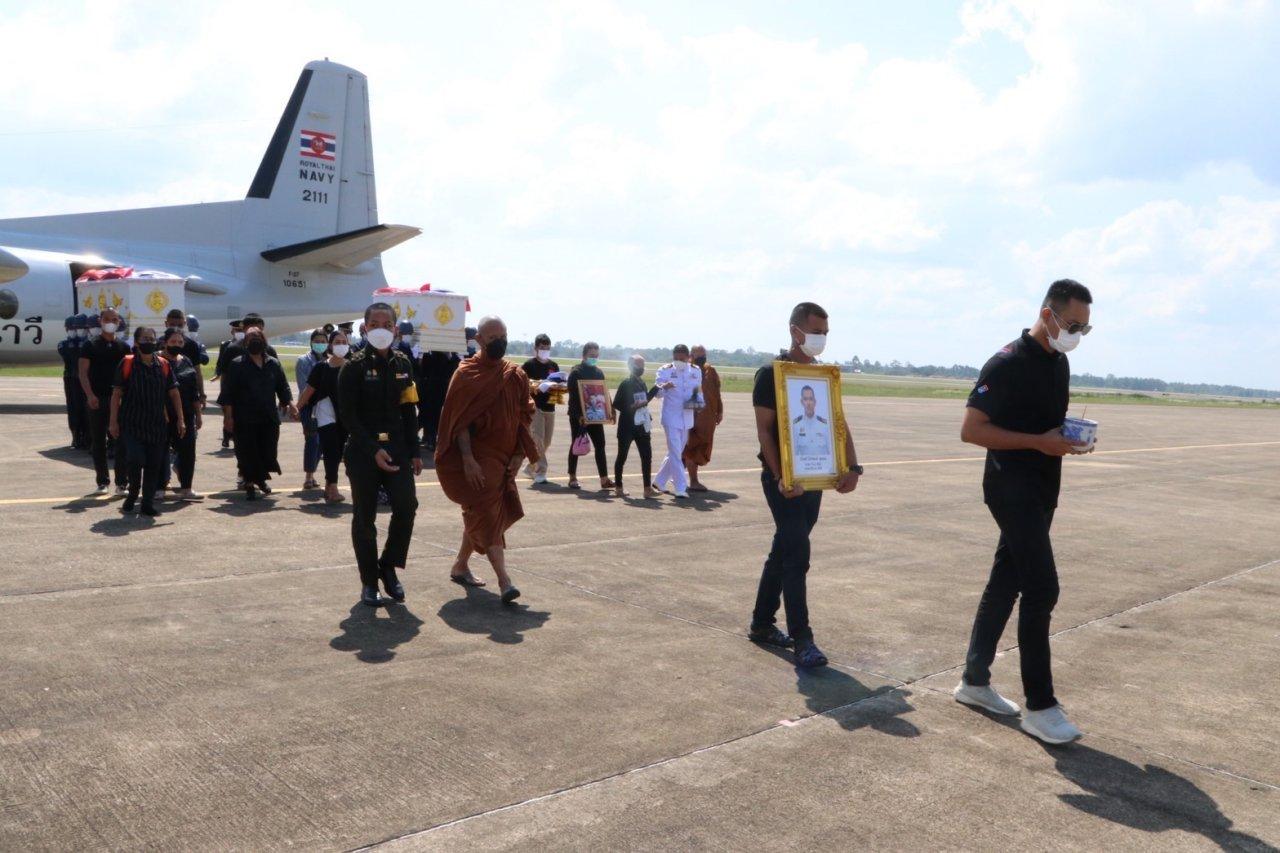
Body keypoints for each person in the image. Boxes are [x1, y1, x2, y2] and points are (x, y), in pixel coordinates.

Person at [954, 279, 1096, 745]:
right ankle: (1041, 706)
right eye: (1072, 323)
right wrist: (1040, 442)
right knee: (1042, 588)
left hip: (1042, 488)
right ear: (1047, 314)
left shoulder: (1060, 363)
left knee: (1006, 581)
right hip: (1009, 487)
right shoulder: (1007, 362)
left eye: (1085, 327)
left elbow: (1044, 425)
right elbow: (972, 430)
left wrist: (1067, 439)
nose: (1076, 333)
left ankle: (974, 682)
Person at [750, 302, 862, 668]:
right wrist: (781, 477)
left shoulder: (823, 376)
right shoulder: (771, 374)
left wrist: (852, 466)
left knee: (784, 548)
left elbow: (839, 423)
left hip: (815, 478)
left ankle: (762, 623)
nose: (821, 338)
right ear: (795, 330)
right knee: (797, 555)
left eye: (825, 333)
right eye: (816, 331)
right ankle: (803, 640)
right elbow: (766, 432)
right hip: (782, 480)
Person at [435, 316, 538, 603]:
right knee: (488, 515)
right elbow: (458, 423)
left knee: (481, 513)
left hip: (506, 457)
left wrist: (519, 454)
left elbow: (523, 416)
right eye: (493, 338)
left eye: (503, 335)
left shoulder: (515, 374)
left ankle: (460, 565)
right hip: (478, 459)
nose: (500, 342)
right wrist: (468, 460)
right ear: (479, 340)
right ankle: (505, 581)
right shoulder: (466, 374)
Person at [338, 302, 422, 607]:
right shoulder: (353, 366)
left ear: (396, 330)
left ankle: (388, 566)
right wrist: (373, 450)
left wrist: (414, 450)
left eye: (387, 324)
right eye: (375, 324)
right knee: (365, 518)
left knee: (407, 506)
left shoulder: (403, 364)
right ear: (364, 328)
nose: (381, 329)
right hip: (363, 452)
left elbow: (409, 409)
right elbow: (348, 417)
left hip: (398, 450)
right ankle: (368, 582)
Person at [108, 327, 184, 517]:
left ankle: (147, 503)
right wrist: (113, 422)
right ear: (136, 342)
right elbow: (116, 394)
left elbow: (174, 392)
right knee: (135, 459)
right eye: (144, 338)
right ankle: (133, 493)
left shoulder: (164, 365)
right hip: (132, 423)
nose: (148, 341)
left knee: (153, 465)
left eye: (151, 338)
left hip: (157, 424)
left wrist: (180, 419)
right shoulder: (127, 363)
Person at [217, 327, 296, 500]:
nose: (254, 339)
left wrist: (290, 403)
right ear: (245, 341)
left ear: (264, 339)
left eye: (257, 336)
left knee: (267, 451)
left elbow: (282, 386)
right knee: (247, 452)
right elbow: (228, 393)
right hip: (244, 418)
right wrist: (228, 417)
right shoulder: (237, 364)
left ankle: (259, 478)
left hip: (268, 417)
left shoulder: (273, 363)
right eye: (250, 337)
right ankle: (250, 483)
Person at [79, 307, 131, 493]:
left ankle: (121, 482)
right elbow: (83, 373)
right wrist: (90, 395)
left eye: (114, 319)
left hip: (118, 401)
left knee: (120, 441)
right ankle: (102, 481)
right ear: (100, 321)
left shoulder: (124, 347)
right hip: (97, 400)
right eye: (107, 319)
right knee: (98, 441)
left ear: (118, 322)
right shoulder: (90, 345)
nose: (111, 322)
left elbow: (128, 375)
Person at [295, 329, 351, 503]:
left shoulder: (351, 366)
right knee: (331, 450)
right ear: (330, 345)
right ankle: (333, 488)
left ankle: (328, 485)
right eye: (337, 342)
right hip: (325, 414)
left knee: (339, 449)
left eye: (344, 342)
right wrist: (297, 408)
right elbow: (308, 391)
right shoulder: (321, 367)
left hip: (345, 415)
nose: (341, 346)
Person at [156, 328, 205, 501]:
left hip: (186, 414)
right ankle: (160, 486)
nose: (176, 345)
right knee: (160, 451)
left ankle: (186, 487)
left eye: (180, 342)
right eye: (173, 342)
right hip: (161, 415)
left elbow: (194, 392)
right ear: (165, 342)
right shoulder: (156, 360)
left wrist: (198, 414)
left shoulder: (187, 361)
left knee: (187, 451)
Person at [653, 344, 702, 500]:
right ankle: (680, 487)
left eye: (682, 358)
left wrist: (700, 405)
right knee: (675, 451)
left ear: (688, 357)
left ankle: (659, 482)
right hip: (671, 417)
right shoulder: (665, 370)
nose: (679, 361)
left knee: (676, 451)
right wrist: (664, 387)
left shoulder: (695, 370)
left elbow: (697, 391)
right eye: (676, 358)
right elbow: (657, 393)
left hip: (687, 417)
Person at [566, 342, 613, 491]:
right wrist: (580, 415)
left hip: (596, 415)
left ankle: (604, 479)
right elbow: (573, 397)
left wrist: (610, 410)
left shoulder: (599, 372)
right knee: (576, 444)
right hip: (578, 416)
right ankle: (572, 477)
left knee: (600, 445)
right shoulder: (576, 372)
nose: (594, 358)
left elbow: (603, 393)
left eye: (596, 356)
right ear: (584, 355)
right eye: (591, 356)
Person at [612, 354, 660, 499]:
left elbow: (645, 400)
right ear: (630, 366)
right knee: (622, 456)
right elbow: (616, 404)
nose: (641, 368)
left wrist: (656, 388)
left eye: (643, 366)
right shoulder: (626, 383)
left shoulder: (642, 383)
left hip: (641, 424)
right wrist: (631, 406)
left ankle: (647, 488)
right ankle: (619, 487)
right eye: (638, 365)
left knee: (647, 456)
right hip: (627, 425)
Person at [520, 333, 560, 484]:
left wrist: (558, 387)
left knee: (546, 442)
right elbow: (522, 384)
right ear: (536, 348)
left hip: (550, 407)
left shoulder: (553, 366)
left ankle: (530, 467)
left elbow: (557, 385)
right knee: (538, 438)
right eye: (542, 347)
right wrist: (536, 385)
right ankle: (541, 471)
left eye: (547, 348)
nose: (545, 350)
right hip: (535, 406)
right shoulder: (529, 365)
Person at [683, 344, 722, 492]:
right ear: (691, 355)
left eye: (703, 354)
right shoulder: (686, 371)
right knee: (691, 448)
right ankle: (693, 481)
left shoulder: (710, 371)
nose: (702, 357)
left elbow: (717, 393)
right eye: (698, 354)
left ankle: (677, 476)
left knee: (702, 448)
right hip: (691, 417)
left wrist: (720, 411)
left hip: (709, 418)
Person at [295, 328, 328, 490]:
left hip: (326, 408)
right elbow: (304, 387)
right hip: (308, 406)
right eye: (317, 341)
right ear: (311, 342)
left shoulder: (330, 360)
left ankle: (313, 473)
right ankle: (308, 476)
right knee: (312, 440)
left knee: (322, 442)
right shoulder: (303, 361)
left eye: (323, 342)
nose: (320, 344)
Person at [418, 347, 461, 453]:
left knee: (438, 417)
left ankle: (434, 439)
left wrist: (451, 357)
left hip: (444, 389)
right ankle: (431, 440)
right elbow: (424, 369)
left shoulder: (453, 356)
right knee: (431, 416)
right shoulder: (429, 354)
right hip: (431, 390)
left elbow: (455, 369)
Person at [213, 319, 245, 449]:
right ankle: (226, 436)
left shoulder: (247, 344)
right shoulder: (225, 345)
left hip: (242, 384)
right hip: (227, 382)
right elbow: (220, 363)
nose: (239, 332)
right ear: (232, 331)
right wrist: (218, 374)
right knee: (227, 410)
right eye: (237, 330)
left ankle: (237, 437)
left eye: (241, 330)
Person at [58, 315, 86, 449]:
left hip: (84, 378)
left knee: (86, 409)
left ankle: (86, 436)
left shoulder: (88, 343)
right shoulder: (65, 344)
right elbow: (69, 354)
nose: (75, 330)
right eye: (72, 328)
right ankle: (76, 436)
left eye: (80, 328)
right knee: (73, 407)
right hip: (71, 377)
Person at [793, 385, 831, 457]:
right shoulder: (796, 425)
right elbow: (794, 453)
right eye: (805, 399)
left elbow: (830, 452)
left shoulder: (825, 425)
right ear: (802, 402)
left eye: (811, 399)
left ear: (815, 402)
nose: (808, 403)